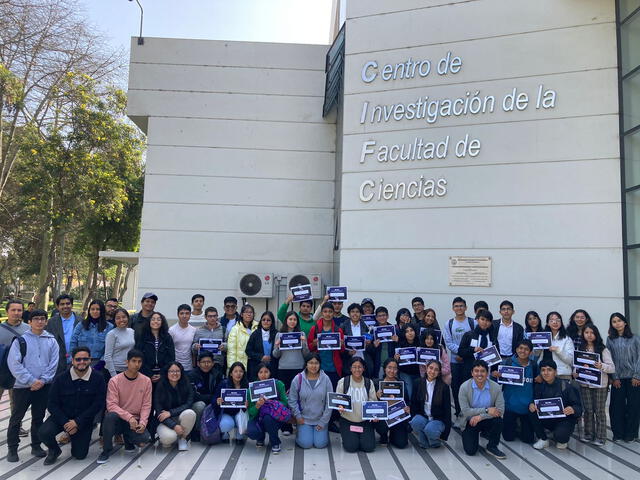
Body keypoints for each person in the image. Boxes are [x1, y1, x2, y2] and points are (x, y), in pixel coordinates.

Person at [6, 309, 59, 462]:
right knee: (16, 417)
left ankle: (36, 445)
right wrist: (31, 381)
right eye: (36, 319)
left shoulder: (51, 341)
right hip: (22, 387)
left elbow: (53, 364)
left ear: (46, 321)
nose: (39, 321)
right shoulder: (20, 340)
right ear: (29, 322)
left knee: (38, 417)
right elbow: (14, 364)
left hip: (43, 386)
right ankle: (12, 448)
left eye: (42, 319)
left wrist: (42, 381)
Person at [39, 346, 106, 465]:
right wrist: (66, 423)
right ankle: (54, 450)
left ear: (90, 360)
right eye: (78, 359)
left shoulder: (98, 378)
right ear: (72, 360)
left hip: (83, 421)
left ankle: (76, 440)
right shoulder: (61, 379)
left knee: (79, 455)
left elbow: (98, 404)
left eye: (85, 359)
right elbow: (52, 404)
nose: (82, 362)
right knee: (44, 432)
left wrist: (77, 422)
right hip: (61, 418)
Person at [98, 349, 152, 464]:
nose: (137, 364)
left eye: (139, 361)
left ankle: (128, 439)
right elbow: (111, 405)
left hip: (135, 421)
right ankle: (106, 450)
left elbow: (146, 405)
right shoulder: (115, 381)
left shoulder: (146, 381)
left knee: (143, 440)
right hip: (118, 419)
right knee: (110, 417)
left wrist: (142, 423)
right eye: (133, 361)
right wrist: (129, 417)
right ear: (127, 362)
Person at [492, 339, 538, 444]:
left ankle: (521, 427)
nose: (523, 351)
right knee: (508, 438)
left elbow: (537, 386)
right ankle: (516, 427)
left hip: (527, 408)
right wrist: (495, 376)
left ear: (530, 352)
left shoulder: (534, 366)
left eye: (526, 349)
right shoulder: (507, 363)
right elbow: (496, 383)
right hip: (510, 407)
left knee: (528, 439)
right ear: (516, 349)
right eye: (520, 348)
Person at [458, 360, 506, 459]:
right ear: (472, 373)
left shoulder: (496, 387)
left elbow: (500, 410)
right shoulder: (464, 387)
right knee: (470, 451)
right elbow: (466, 411)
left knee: (499, 420)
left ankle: (492, 446)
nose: (479, 374)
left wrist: (481, 416)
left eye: (483, 371)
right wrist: (487, 410)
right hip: (470, 421)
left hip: (487, 419)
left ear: (487, 373)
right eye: (476, 371)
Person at [530, 359, 583, 450]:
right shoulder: (539, 387)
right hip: (547, 418)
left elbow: (579, 407)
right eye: (543, 370)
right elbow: (535, 401)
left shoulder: (566, 387)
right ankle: (543, 439)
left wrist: (572, 409)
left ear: (555, 372)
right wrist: (532, 404)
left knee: (561, 439)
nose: (546, 373)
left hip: (564, 420)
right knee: (531, 410)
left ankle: (560, 436)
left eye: (549, 370)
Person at [575, 324, 614, 445]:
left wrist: (601, 365)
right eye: (586, 332)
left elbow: (612, 368)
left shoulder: (603, 349)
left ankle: (601, 437)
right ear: (583, 334)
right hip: (585, 384)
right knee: (588, 410)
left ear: (596, 335)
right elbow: (577, 366)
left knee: (599, 411)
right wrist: (575, 373)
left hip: (600, 385)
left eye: (592, 332)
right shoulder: (580, 349)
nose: (589, 335)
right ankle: (588, 434)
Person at [606, 312, 640, 443]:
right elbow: (608, 359)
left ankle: (631, 433)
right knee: (616, 406)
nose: (617, 323)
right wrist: (614, 377)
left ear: (625, 322)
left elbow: (639, 358)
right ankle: (618, 433)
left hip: (634, 378)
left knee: (634, 406)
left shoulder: (635, 338)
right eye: (614, 322)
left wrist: (637, 375)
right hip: (617, 379)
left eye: (619, 321)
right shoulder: (610, 339)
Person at [289, 354, 333, 449]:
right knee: (306, 444)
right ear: (306, 364)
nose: (314, 366)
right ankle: (300, 432)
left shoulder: (326, 379)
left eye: (316, 363)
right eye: (311, 363)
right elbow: (292, 400)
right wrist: (298, 417)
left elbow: (330, 402)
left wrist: (323, 422)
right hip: (303, 419)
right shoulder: (298, 379)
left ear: (320, 364)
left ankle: (321, 432)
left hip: (320, 419)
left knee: (320, 444)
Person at [0, 300, 30, 437]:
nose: (16, 313)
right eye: (13, 310)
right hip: (1, 370)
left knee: (16, 402)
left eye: (19, 310)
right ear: (7, 311)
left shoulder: (28, 329)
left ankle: (16, 427)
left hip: (17, 371)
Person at [336, 357, 378, 453]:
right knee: (351, 447)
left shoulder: (369, 382)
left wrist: (374, 415)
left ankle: (359, 435)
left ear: (364, 368)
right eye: (354, 367)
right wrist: (339, 407)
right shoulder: (343, 382)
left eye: (360, 367)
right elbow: (338, 401)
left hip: (364, 421)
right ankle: (350, 435)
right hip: (348, 420)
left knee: (369, 447)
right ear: (350, 368)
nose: (357, 369)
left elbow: (373, 401)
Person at [443, 296, 475, 416]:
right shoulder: (449, 323)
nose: (459, 308)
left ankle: (470, 414)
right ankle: (458, 413)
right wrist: (460, 352)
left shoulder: (473, 322)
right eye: (456, 306)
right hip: (455, 362)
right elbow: (449, 342)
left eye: (461, 305)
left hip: (469, 362)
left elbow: (475, 341)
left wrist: (464, 354)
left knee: (469, 389)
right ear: (453, 308)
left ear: (466, 307)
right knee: (456, 389)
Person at [154, 362, 196, 450]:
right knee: (168, 438)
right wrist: (174, 425)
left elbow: (189, 404)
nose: (175, 374)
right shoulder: (160, 386)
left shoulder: (187, 384)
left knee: (190, 413)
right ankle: (170, 435)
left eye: (177, 371)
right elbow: (158, 411)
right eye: (171, 371)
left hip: (180, 416)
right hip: (165, 420)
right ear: (167, 373)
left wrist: (170, 412)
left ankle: (182, 438)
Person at [247, 363, 288, 454]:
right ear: (257, 374)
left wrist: (271, 402)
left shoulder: (278, 384)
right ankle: (260, 437)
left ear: (270, 373)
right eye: (260, 372)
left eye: (266, 372)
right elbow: (250, 412)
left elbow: (285, 403)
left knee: (268, 418)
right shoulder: (251, 389)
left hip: (275, 417)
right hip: (258, 417)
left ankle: (275, 442)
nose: (263, 375)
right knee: (252, 431)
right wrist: (257, 406)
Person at [410, 359, 452, 448]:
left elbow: (447, 411)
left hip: (437, 419)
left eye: (436, 369)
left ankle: (434, 441)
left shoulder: (444, 387)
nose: (432, 371)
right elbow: (413, 404)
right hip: (424, 417)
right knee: (415, 422)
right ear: (426, 368)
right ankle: (425, 439)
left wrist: (445, 434)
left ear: (439, 372)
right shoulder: (417, 383)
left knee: (430, 430)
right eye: (431, 368)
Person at [374, 358, 410, 448]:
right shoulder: (377, 383)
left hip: (397, 416)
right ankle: (383, 435)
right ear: (384, 368)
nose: (392, 371)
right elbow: (371, 404)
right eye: (389, 367)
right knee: (381, 426)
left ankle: (393, 433)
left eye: (395, 368)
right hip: (383, 418)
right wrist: (377, 397)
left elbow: (407, 401)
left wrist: (407, 408)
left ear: (397, 370)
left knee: (401, 444)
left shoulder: (401, 384)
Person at [308, 302, 345, 389]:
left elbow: (342, 351)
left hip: (334, 368)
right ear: (322, 313)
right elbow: (309, 347)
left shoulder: (338, 330)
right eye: (325, 311)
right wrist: (314, 343)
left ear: (333, 313)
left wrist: (342, 345)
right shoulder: (315, 329)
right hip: (318, 368)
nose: (327, 314)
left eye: (330, 311)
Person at [272, 311, 310, 390]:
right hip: (283, 369)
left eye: (295, 319)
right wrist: (279, 346)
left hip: (298, 368)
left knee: (298, 393)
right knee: (284, 394)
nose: (292, 321)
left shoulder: (302, 334)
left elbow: (306, 354)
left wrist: (303, 343)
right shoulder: (279, 335)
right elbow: (275, 355)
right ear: (286, 320)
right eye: (290, 319)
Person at [70, 299, 114, 366]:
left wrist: (100, 365)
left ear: (102, 311)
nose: (95, 311)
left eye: (98, 309)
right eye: (92, 309)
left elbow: (109, 349)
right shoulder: (81, 325)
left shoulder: (109, 327)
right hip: (80, 362)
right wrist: (74, 359)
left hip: (99, 363)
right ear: (89, 311)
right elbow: (73, 342)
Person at [188, 350, 224, 433]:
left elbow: (220, 392)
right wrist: (211, 397)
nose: (206, 364)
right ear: (198, 363)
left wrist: (214, 399)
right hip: (197, 403)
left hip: (213, 402)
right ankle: (197, 431)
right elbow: (193, 396)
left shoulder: (217, 374)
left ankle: (218, 431)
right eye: (203, 362)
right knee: (200, 405)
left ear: (213, 363)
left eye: (209, 362)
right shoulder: (191, 375)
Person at [136, 311, 175, 384]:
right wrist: (150, 374)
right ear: (149, 321)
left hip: (163, 375)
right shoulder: (143, 337)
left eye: (158, 319)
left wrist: (162, 374)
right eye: (153, 319)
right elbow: (139, 356)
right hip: (146, 375)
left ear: (162, 322)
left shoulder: (167, 337)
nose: (156, 321)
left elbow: (171, 357)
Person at [458, 309, 497, 382]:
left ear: (491, 323)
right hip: (470, 373)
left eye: (488, 320)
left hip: (487, 373)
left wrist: (494, 370)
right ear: (477, 320)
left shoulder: (493, 337)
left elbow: (496, 355)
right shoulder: (469, 335)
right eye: (482, 319)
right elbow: (460, 351)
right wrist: (473, 350)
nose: (485, 322)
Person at [214, 361, 249, 443]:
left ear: (244, 373)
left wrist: (248, 404)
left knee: (244, 421)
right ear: (231, 373)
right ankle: (225, 432)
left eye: (241, 371)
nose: (238, 374)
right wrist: (217, 401)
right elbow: (214, 400)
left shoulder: (247, 385)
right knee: (225, 425)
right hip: (227, 413)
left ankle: (239, 432)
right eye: (235, 371)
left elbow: (252, 405)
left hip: (241, 413)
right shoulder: (224, 384)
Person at [46, 294, 80, 374]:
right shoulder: (51, 322)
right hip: (58, 362)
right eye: (62, 304)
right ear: (57, 306)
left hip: (77, 361)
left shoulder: (80, 321)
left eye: (68, 303)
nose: (65, 306)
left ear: (72, 305)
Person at [366, 306, 399, 379]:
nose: (382, 317)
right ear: (376, 318)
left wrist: (396, 341)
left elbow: (399, 347)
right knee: (380, 385)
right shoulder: (372, 331)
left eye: (384, 315)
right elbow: (368, 351)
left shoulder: (394, 330)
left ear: (387, 316)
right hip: (379, 365)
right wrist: (374, 346)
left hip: (392, 365)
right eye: (379, 316)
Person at [341, 303, 373, 376]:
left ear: (361, 314)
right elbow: (340, 348)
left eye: (357, 312)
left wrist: (369, 344)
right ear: (349, 314)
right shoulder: (343, 327)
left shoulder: (367, 327)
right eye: (352, 311)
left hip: (364, 362)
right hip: (349, 363)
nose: (355, 314)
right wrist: (348, 352)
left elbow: (372, 349)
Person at [541, 312, 574, 380]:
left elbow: (571, 360)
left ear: (561, 323)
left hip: (562, 375)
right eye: (552, 320)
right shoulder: (542, 337)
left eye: (558, 320)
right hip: (545, 375)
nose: (555, 322)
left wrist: (558, 350)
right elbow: (537, 357)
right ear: (547, 323)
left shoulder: (567, 339)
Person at [246, 311, 277, 381]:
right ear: (261, 321)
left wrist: (271, 357)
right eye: (264, 320)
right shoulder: (255, 334)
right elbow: (248, 351)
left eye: (268, 320)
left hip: (272, 367)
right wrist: (261, 357)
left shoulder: (276, 334)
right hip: (257, 367)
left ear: (272, 322)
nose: (266, 322)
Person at [104, 308, 136, 377]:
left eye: (124, 317)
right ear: (114, 320)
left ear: (128, 318)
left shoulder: (132, 331)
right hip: (114, 370)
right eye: (118, 318)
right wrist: (114, 375)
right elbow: (107, 356)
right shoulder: (112, 334)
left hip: (129, 369)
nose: (121, 320)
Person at [226, 304, 257, 371]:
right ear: (242, 314)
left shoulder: (258, 327)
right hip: (240, 364)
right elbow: (231, 350)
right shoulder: (235, 329)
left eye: (251, 312)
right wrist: (232, 367)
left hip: (255, 362)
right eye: (246, 312)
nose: (249, 314)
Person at [394, 324, 421, 400]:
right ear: (404, 334)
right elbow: (397, 362)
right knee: (409, 393)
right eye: (407, 331)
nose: (410, 333)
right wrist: (396, 359)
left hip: (419, 373)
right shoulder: (400, 345)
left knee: (418, 394)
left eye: (411, 330)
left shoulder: (421, 343)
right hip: (405, 373)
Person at [169, 304, 197, 372]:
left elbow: (194, 350)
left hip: (189, 367)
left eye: (187, 313)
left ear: (190, 315)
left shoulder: (194, 330)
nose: (184, 316)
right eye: (182, 313)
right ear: (178, 315)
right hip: (175, 367)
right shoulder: (171, 330)